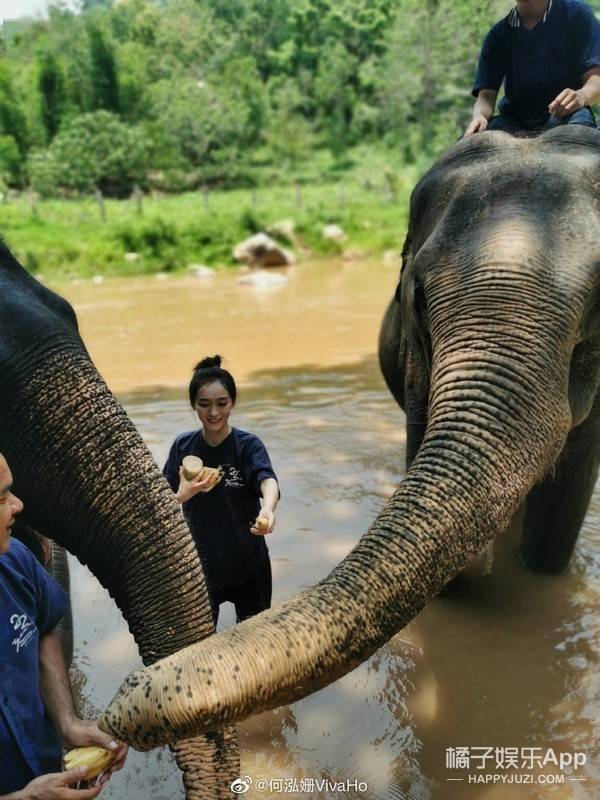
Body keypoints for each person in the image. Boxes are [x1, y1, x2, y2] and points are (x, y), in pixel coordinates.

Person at [0, 452, 128, 799]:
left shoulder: (16, 561)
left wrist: (67, 722)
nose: (18, 504)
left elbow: (43, 629)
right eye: (2, 497)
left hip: (46, 771)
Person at [163, 356, 279, 626]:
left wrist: (268, 508)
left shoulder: (248, 446)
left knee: (256, 644)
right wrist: (183, 495)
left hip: (249, 564)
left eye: (221, 403)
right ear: (194, 405)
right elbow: (160, 505)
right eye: (204, 405)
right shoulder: (183, 447)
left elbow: (267, 480)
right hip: (199, 569)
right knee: (198, 645)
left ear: (233, 403)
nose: (213, 412)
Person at [466, 0, 600, 135]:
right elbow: (486, 96)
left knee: (582, 140)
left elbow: (596, 81)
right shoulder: (497, 35)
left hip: (567, 114)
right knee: (467, 147)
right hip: (512, 121)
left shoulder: (578, 16)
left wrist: (581, 96)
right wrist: (480, 116)